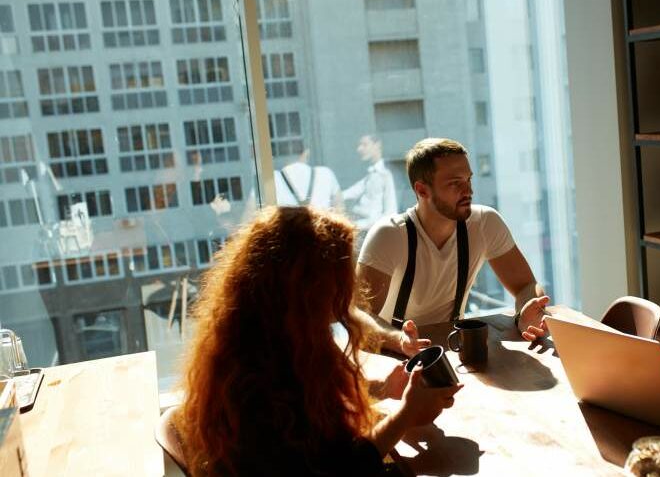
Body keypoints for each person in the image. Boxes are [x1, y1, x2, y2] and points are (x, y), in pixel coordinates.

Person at [175, 206, 462, 475]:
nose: (347, 291)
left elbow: (312, 403)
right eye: (338, 279)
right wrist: (405, 415)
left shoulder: (263, 340)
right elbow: (343, 468)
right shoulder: (258, 385)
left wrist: (381, 389)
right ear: (306, 289)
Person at [352, 138, 550, 358]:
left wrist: (526, 313)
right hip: (392, 354)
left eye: (468, 180)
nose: (468, 191)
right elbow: (359, 314)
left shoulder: (484, 223)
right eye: (455, 183)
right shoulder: (389, 235)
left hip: (454, 349)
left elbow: (526, 285)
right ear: (422, 190)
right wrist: (399, 340)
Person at [344, 135, 399, 232]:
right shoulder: (368, 174)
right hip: (359, 226)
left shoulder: (386, 173)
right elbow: (348, 193)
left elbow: (391, 212)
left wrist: (359, 225)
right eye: (359, 145)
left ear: (377, 145)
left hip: (372, 231)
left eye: (364, 145)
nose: (359, 149)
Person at [274, 144, 344, 210]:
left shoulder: (274, 178)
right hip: (320, 222)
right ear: (306, 153)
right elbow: (339, 208)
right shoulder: (325, 173)